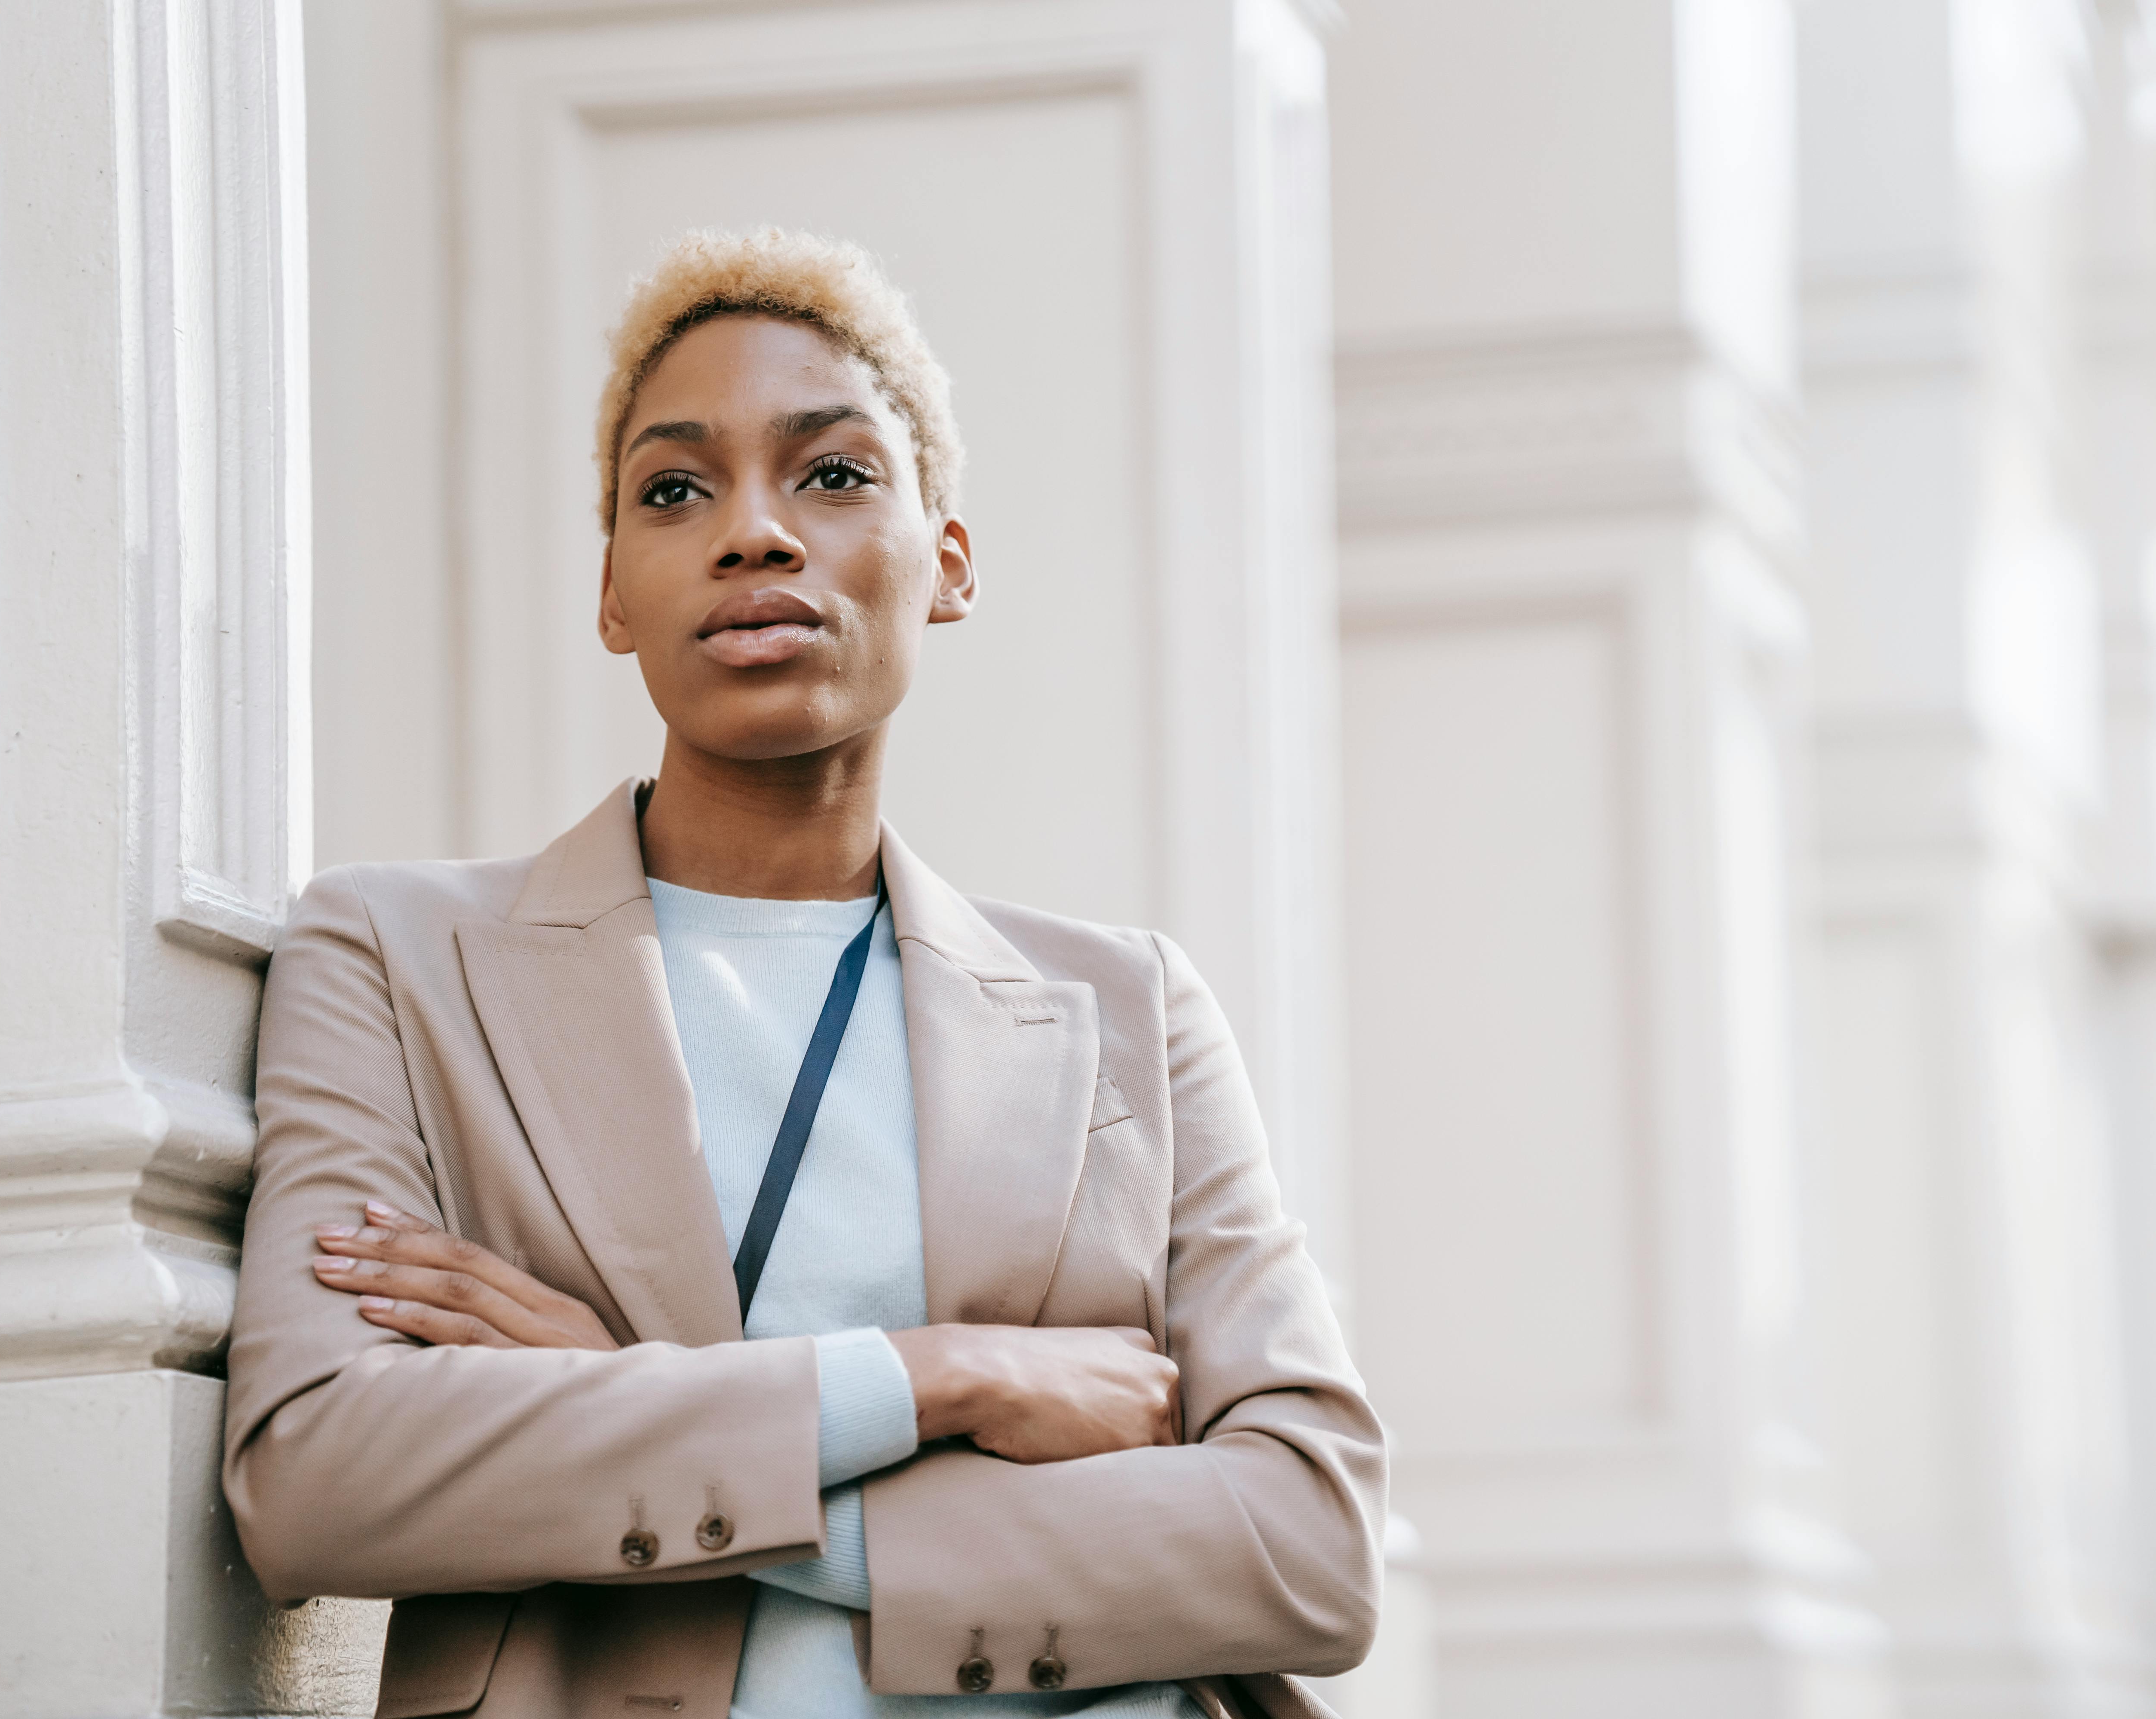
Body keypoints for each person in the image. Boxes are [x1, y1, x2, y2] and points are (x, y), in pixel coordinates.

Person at [221, 228, 1384, 1719]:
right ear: (613, 595)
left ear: (948, 562)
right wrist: (931, 1380)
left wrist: (617, 1395)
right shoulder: (395, 957)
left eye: (831, 475)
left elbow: (1311, 1548)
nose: (752, 533)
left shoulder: (1127, 1009)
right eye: (675, 489)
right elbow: (318, 1476)